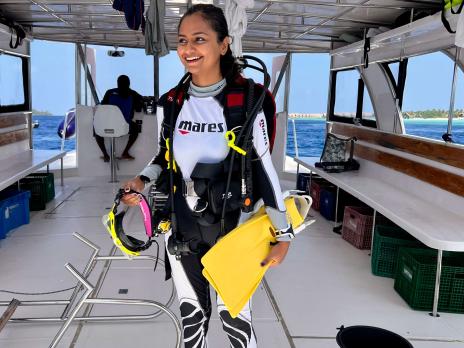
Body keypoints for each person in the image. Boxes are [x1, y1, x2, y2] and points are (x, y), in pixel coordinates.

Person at [121, 4, 294, 347]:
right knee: (192, 322)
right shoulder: (172, 101)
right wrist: (140, 181)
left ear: (224, 44)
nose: (188, 49)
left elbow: (263, 168)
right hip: (183, 225)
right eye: (182, 40)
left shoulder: (247, 100)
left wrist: (284, 233)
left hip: (234, 225)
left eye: (199, 39)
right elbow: (162, 156)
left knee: (235, 322)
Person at [95, 75, 144, 161]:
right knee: (135, 128)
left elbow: (103, 107)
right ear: (129, 84)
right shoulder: (132, 93)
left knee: (96, 127)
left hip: (107, 126)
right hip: (123, 127)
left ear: (117, 84)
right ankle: (125, 152)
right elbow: (140, 105)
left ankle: (105, 155)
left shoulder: (109, 92)